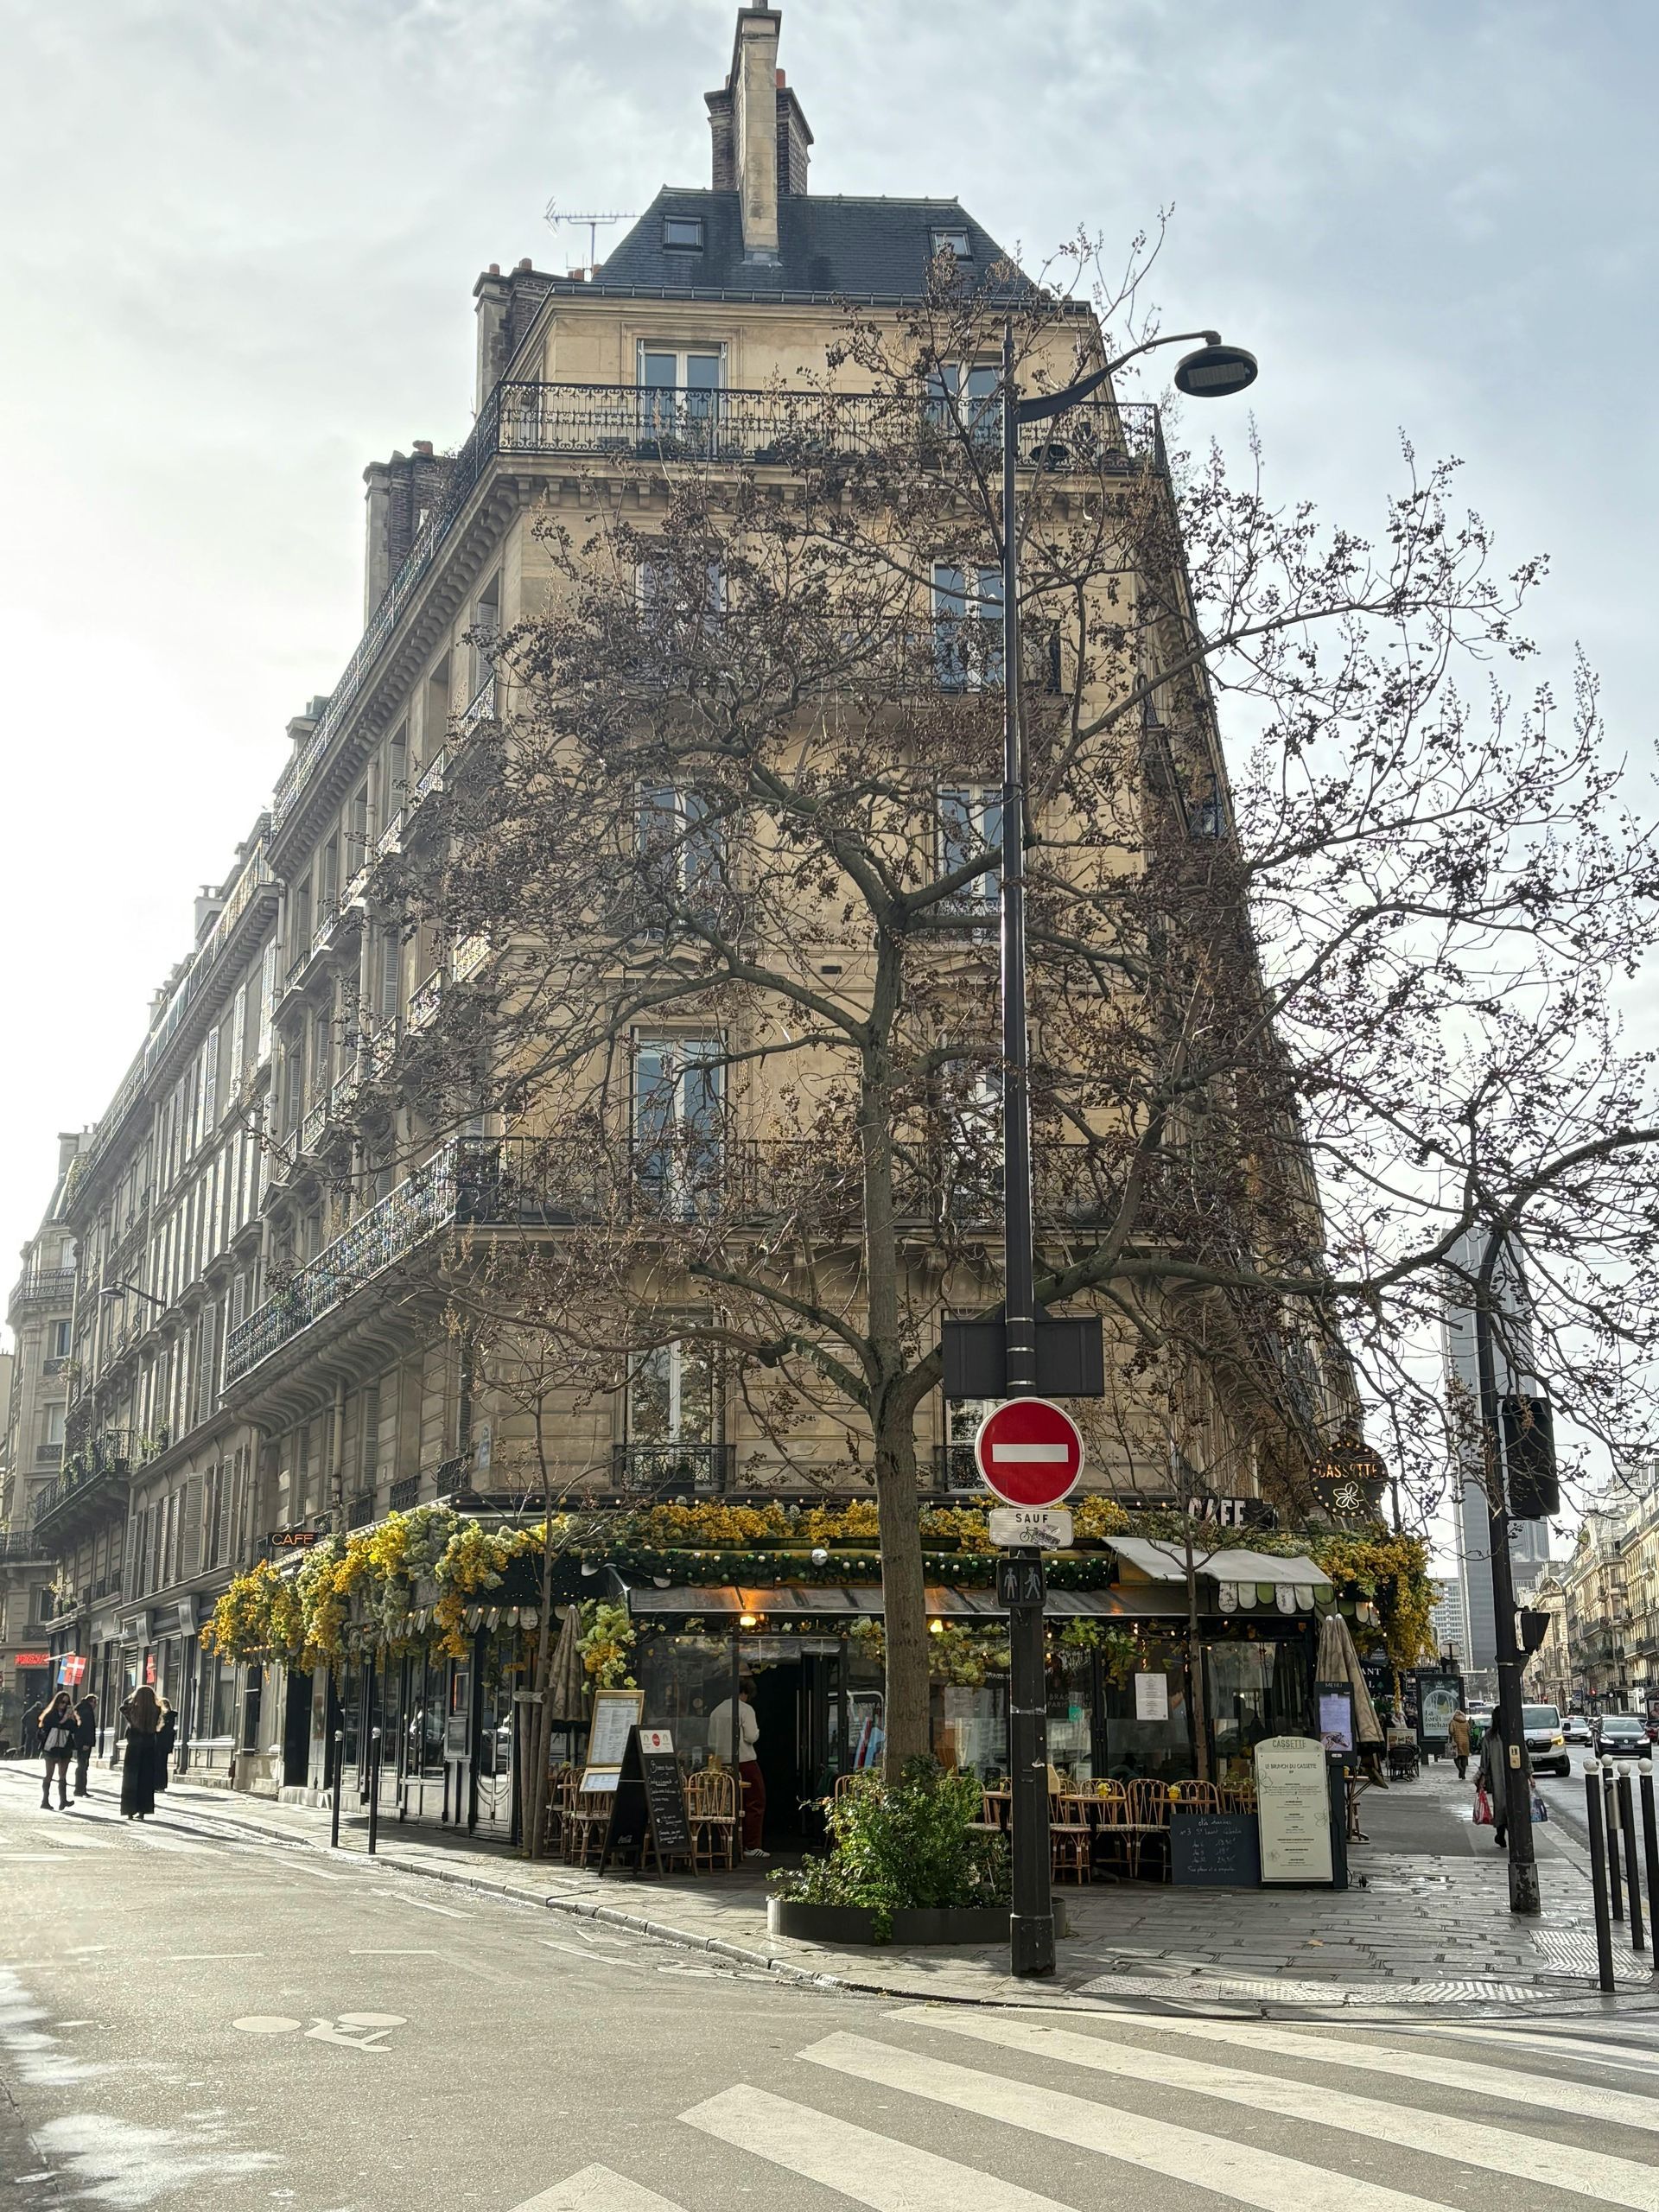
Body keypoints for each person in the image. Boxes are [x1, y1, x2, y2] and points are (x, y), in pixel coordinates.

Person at [708, 1673, 766, 1859]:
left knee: (725, 1804)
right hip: (745, 1761)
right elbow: (750, 1736)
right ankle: (751, 1845)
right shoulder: (745, 1710)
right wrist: (757, 1732)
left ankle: (725, 1843)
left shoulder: (716, 1710)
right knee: (755, 1802)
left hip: (721, 1763)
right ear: (745, 1693)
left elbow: (711, 1742)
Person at [120, 1685, 165, 1821]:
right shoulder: (156, 1710)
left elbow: (122, 1707)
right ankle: (143, 1810)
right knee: (146, 1779)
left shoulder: (131, 1710)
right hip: (149, 1746)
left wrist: (131, 1698)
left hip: (134, 1747)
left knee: (130, 1779)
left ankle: (129, 1809)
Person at [37, 1690, 76, 1811]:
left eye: (66, 1703)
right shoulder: (50, 1714)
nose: (64, 1705)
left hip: (65, 1747)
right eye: (62, 1702)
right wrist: (64, 1720)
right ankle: (45, 1801)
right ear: (57, 1702)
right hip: (51, 1747)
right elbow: (52, 1725)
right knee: (49, 1774)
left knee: (63, 1775)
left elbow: (73, 1729)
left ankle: (63, 1800)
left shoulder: (69, 1715)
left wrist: (72, 1719)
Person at [1477, 1707, 1510, 1847]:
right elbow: (1525, 1754)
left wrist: (1482, 1777)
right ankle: (1508, 1832)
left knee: (1501, 1804)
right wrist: (1529, 1774)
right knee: (1512, 1805)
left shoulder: (1489, 1736)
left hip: (1498, 1777)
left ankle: (1501, 1834)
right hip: (1513, 1776)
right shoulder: (1514, 1732)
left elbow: (1485, 1760)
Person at [72, 1694, 99, 1800]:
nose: (95, 1705)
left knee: (82, 1765)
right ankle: (80, 1789)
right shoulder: (87, 1711)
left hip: (81, 1742)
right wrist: (86, 1743)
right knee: (82, 1765)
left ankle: (81, 1789)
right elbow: (86, 1728)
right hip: (84, 1743)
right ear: (91, 1701)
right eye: (95, 1703)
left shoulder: (81, 1709)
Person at [156, 1698, 177, 1791]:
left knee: (159, 1765)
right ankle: (161, 1785)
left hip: (160, 1743)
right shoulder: (170, 1716)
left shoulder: (165, 1716)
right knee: (162, 1765)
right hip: (165, 1744)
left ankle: (159, 1785)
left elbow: (162, 1730)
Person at [1447, 1704, 1471, 1782]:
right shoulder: (1466, 1722)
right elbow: (1469, 1731)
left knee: (1456, 1757)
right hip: (1465, 1742)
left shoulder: (1453, 1722)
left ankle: (1460, 1769)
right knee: (1464, 1757)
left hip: (1456, 1742)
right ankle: (1463, 1774)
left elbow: (1451, 1731)